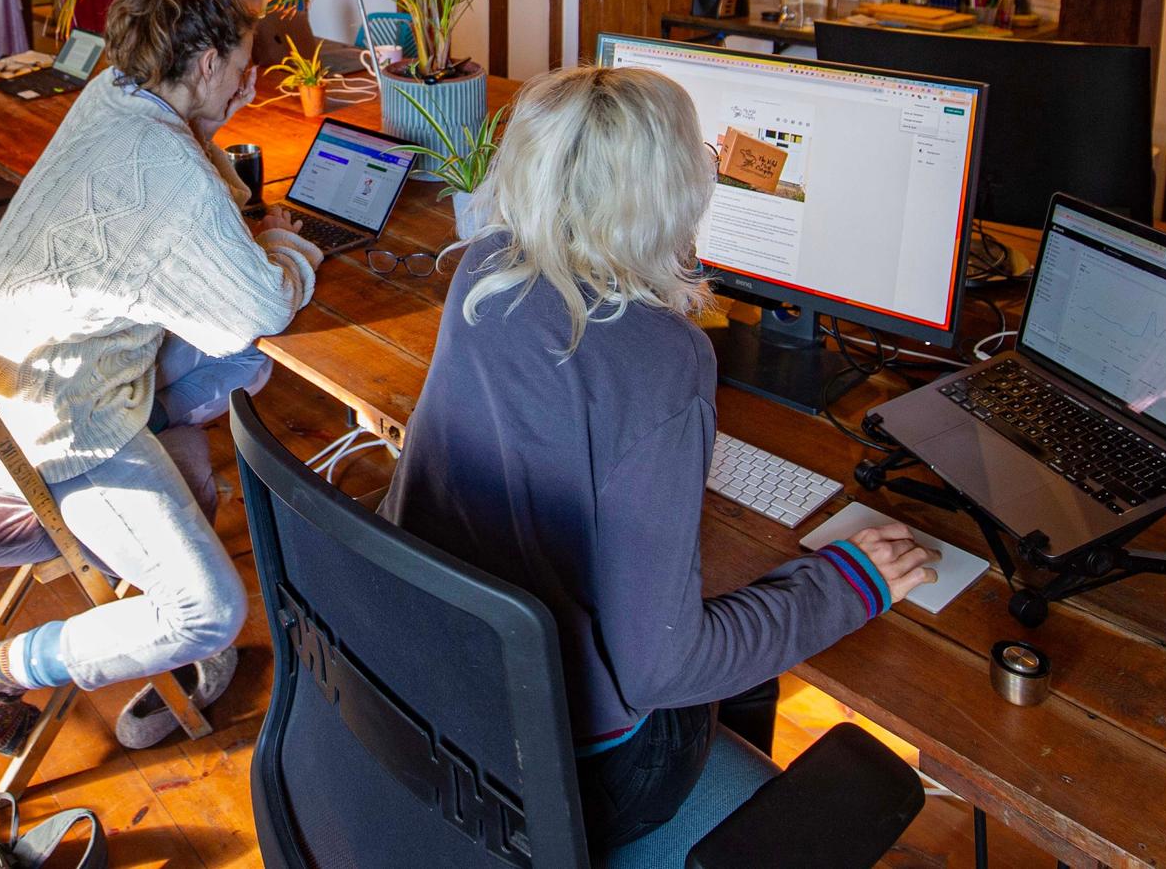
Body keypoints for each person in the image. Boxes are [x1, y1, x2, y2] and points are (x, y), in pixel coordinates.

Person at [383, 65, 936, 848]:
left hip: (444, 699)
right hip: (579, 775)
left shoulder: (482, 267)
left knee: (726, 585)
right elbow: (659, 673)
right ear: (676, 193)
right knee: (747, 596)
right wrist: (851, 585)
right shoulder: (662, 357)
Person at [0, 0, 323, 752]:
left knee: (240, 364)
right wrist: (287, 243)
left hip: (8, 374)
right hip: (56, 423)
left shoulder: (112, 98)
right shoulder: (166, 161)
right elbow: (263, 303)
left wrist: (213, 128)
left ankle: (170, 564)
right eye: (242, 67)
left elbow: (185, 201)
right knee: (209, 610)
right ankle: (0, 666)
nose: (249, 83)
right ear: (208, 62)